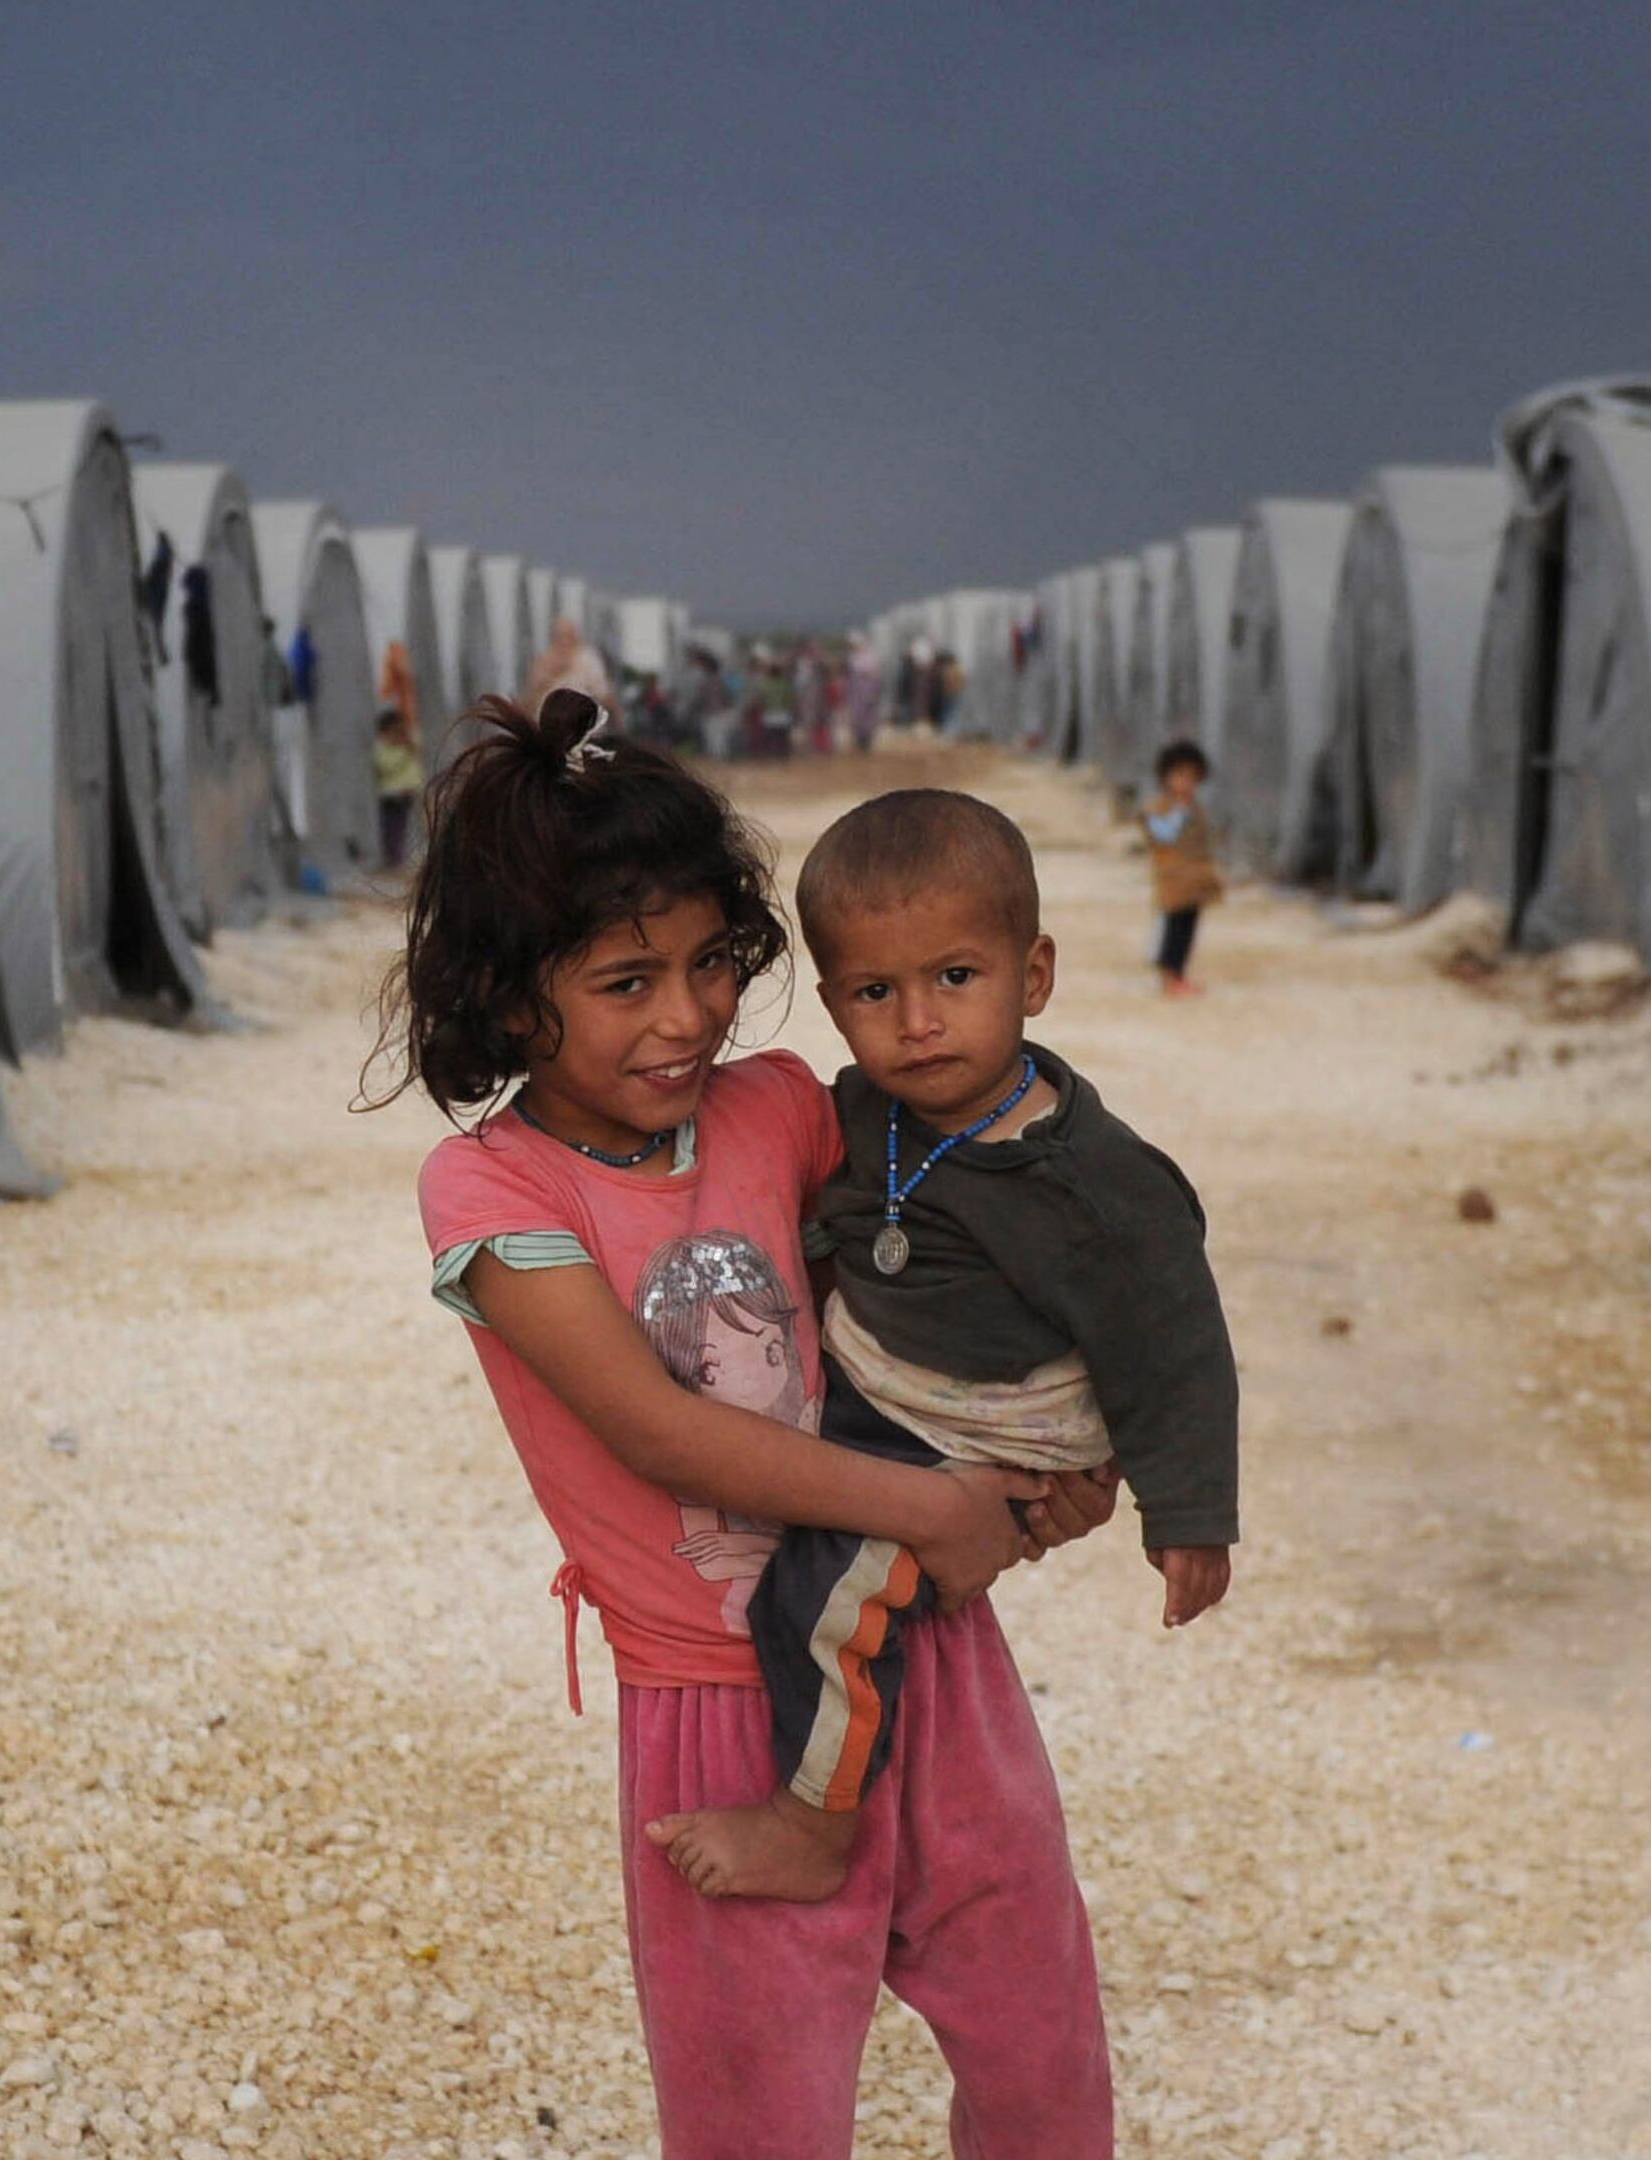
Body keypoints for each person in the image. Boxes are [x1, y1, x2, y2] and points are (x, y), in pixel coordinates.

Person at [381, 691, 1118, 2153]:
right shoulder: (498, 1194)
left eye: (714, 962)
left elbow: (925, 1316)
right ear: (513, 995)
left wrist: (1046, 1470)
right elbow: (657, 1431)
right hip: (719, 1711)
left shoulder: (788, 1107)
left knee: (1043, 2060)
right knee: (759, 2113)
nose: (689, 1013)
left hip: (921, 1657)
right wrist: (929, 1510)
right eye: (626, 979)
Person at [645, 789, 1239, 1905]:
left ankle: (814, 1825)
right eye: (878, 992)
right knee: (801, 1552)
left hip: (978, 1433)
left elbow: (1177, 1347)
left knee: (823, 1602)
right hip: (892, 1399)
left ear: (1036, 975)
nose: (918, 1021)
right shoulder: (873, 1111)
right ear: (834, 1003)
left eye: (955, 979)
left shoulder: (1092, 1185)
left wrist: (1189, 1514)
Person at [1144, 739, 1223, 998]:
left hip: (1193, 884)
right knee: (1173, 930)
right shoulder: (1160, 807)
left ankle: (1179, 975)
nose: (1185, 783)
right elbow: (1163, 835)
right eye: (1180, 776)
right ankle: (1168, 976)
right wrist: (1179, 812)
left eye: (1192, 777)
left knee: (1187, 931)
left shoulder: (1195, 808)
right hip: (1173, 881)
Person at [372, 706, 421, 869]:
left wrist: (406, 743)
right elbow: (386, 767)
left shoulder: (406, 746)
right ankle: (393, 859)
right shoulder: (382, 749)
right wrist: (403, 752)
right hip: (391, 794)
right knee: (391, 827)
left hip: (407, 793)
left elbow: (417, 749)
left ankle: (402, 858)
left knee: (404, 826)